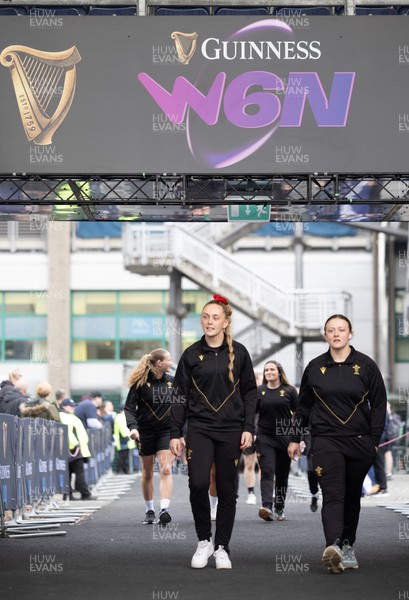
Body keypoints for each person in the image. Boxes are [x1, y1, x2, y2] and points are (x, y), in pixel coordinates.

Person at [288, 314, 387, 574]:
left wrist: (374, 440)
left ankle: (347, 544)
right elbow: (304, 406)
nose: (336, 334)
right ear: (325, 335)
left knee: (352, 496)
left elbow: (378, 403)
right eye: (331, 330)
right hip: (325, 439)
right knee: (333, 494)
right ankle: (332, 546)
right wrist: (295, 437)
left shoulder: (366, 366)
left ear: (350, 334)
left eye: (341, 330)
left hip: (359, 441)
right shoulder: (315, 366)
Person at [170, 294, 257, 570]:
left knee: (227, 488)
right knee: (197, 483)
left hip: (232, 430)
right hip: (199, 428)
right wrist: (175, 432)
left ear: (226, 321)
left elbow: (250, 394)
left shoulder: (240, 353)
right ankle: (203, 540)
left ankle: (222, 547)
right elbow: (179, 395)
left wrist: (248, 428)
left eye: (215, 317)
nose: (209, 321)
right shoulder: (191, 354)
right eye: (206, 317)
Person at [125, 348, 175, 526]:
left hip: (166, 432)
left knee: (166, 469)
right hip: (145, 432)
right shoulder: (139, 384)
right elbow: (129, 409)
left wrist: (180, 433)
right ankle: (149, 510)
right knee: (147, 473)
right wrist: (133, 428)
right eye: (168, 359)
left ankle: (164, 509)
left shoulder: (173, 382)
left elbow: (181, 408)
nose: (171, 362)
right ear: (159, 363)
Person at [256, 360, 298, 521]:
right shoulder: (260, 391)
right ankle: (267, 506)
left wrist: (298, 438)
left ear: (279, 372)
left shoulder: (289, 391)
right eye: (266, 370)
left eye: (272, 369)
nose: (269, 372)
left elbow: (299, 414)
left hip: (285, 438)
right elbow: (251, 414)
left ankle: (279, 509)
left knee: (281, 475)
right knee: (267, 471)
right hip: (264, 437)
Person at [59, 398, 96, 501]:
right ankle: (85, 493)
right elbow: (69, 433)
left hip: (72, 449)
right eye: (71, 406)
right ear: (64, 407)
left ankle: (68, 494)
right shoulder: (66, 417)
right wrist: (76, 445)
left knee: (69, 472)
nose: (73, 408)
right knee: (79, 472)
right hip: (74, 450)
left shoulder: (67, 416)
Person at [113, 405, 135, 474]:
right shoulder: (121, 417)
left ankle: (121, 470)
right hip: (125, 440)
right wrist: (126, 437)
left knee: (122, 456)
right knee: (123, 456)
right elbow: (123, 428)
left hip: (122, 439)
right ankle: (123, 470)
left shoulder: (118, 417)